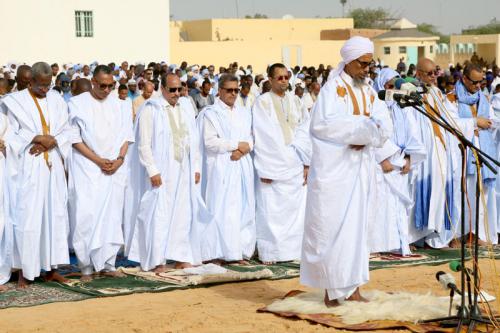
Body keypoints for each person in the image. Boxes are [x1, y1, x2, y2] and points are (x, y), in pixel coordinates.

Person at [300, 36, 393, 307]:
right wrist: (362, 129)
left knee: (357, 230)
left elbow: (383, 121)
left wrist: (368, 132)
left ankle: (352, 289)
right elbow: (322, 126)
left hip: (360, 171)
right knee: (333, 230)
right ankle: (332, 292)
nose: (367, 69)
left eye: (370, 64)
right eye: (363, 64)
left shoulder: (368, 90)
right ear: (350, 61)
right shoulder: (332, 90)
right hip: (336, 173)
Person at [1, 62, 72, 288]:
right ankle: (24, 270)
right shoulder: (13, 103)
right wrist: (35, 138)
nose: (45, 89)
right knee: (27, 218)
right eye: (41, 85)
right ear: (30, 81)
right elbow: (9, 134)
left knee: (55, 215)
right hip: (28, 166)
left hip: (53, 165)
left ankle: (51, 269)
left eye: (48, 84)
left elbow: (67, 130)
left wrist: (51, 141)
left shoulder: (58, 100)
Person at [126, 74, 200, 271]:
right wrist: (152, 170)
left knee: (183, 214)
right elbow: (144, 144)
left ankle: (179, 255)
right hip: (161, 171)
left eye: (180, 89)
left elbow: (194, 140)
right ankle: (156, 260)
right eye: (172, 90)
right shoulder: (151, 109)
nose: (177, 93)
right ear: (163, 89)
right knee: (158, 215)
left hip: (184, 169)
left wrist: (196, 168)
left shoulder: (185, 107)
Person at [68, 65, 134, 281]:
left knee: (112, 216)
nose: (107, 90)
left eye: (111, 86)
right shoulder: (76, 104)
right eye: (103, 86)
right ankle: (86, 266)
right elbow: (74, 138)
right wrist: (97, 160)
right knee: (86, 214)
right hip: (87, 166)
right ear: (93, 82)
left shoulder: (122, 105)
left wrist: (119, 160)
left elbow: (127, 136)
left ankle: (108, 263)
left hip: (115, 167)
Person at [408, 58, 474, 249]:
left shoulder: (436, 93)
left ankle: (436, 235)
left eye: (435, 72)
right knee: (422, 191)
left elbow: (452, 119)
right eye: (429, 74)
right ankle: (418, 236)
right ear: (418, 74)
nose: (434, 77)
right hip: (424, 153)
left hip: (441, 150)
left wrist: (472, 123)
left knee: (442, 189)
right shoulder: (410, 93)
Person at [252, 63, 311, 265]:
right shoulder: (262, 102)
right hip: (272, 165)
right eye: (279, 78)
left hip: (295, 162)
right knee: (271, 211)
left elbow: (305, 130)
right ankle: (271, 253)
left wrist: (305, 161)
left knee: (296, 211)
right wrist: (268, 165)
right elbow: (263, 135)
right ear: (270, 80)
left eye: (286, 77)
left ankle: (292, 251)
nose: (284, 81)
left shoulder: (296, 101)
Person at [195, 74, 255, 264]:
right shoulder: (210, 113)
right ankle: (216, 253)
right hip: (220, 167)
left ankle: (237, 253)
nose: (233, 94)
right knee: (220, 209)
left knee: (241, 209)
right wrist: (237, 146)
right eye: (229, 90)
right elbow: (210, 142)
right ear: (219, 91)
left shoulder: (244, 112)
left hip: (242, 166)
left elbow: (252, 137)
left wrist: (245, 149)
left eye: (236, 90)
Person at [369, 68, 426, 256]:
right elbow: (371, 131)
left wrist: (410, 157)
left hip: (401, 161)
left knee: (398, 207)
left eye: (395, 85)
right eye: (390, 85)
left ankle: (400, 244)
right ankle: (378, 246)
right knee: (381, 205)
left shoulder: (402, 107)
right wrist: (383, 158)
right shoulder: (375, 104)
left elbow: (413, 132)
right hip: (382, 163)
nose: (393, 89)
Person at [453, 64, 498, 244]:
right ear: (464, 79)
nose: (479, 85)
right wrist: (473, 123)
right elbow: (452, 122)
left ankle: (481, 233)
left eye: (481, 82)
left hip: (483, 151)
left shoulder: (484, 99)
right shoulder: (453, 98)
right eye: (474, 82)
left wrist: (487, 123)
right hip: (464, 152)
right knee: (465, 192)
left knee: (484, 194)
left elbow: (492, 120)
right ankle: (462, 233)